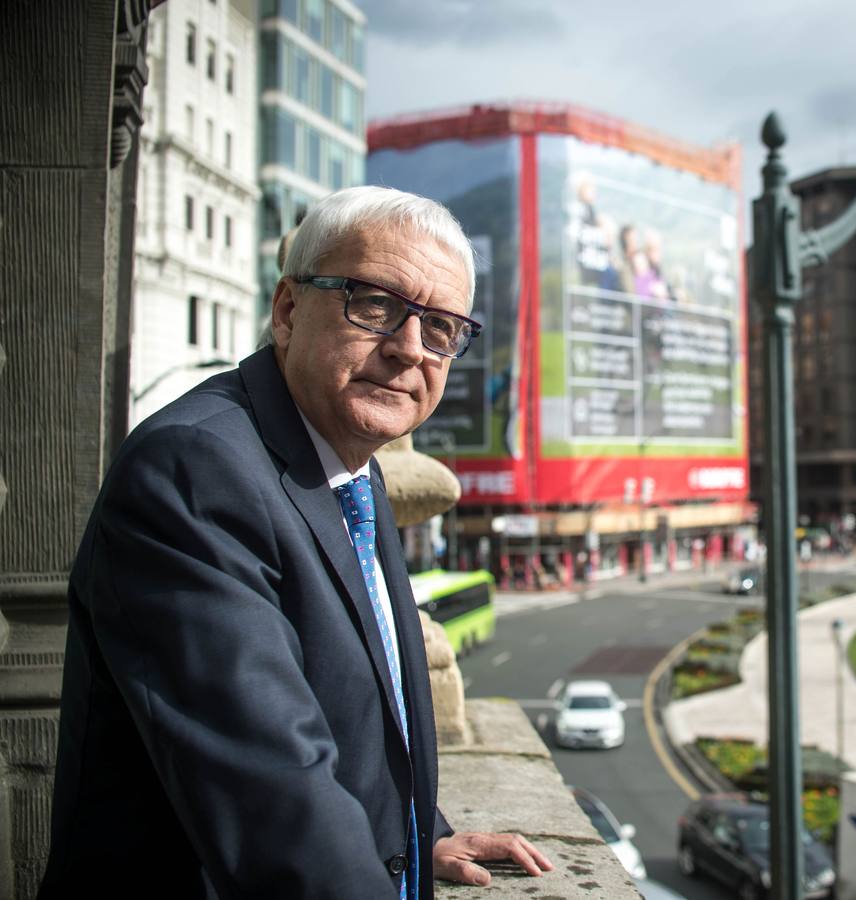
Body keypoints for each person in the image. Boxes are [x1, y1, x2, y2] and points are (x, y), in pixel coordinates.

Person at [39, 187, 553, 897]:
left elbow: (351, 707)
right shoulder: (196, 468)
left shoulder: (350, 463)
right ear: (286, 310)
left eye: (440, 327)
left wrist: (415, 834)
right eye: (374, 303)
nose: (410, 349)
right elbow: (275, 802)